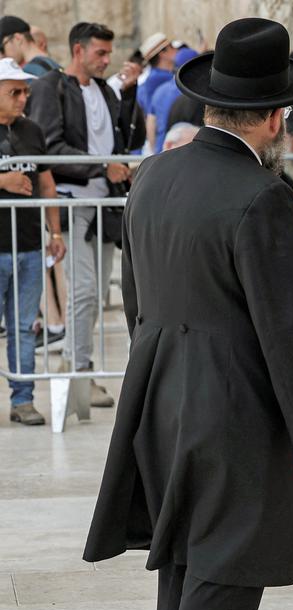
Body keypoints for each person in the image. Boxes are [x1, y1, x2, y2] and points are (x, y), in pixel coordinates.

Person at [83, 18, 293, 610]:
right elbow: (285, 326)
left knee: (187, 565)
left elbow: (135, 302)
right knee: (223, 574)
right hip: (232, 409)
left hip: (159, 394)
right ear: (276, 115)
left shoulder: (155, 173)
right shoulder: (264, 196)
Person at [28, 22, 142, 408]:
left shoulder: (106, 93)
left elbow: (127, 137)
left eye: (109, 54)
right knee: (82, 293)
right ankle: (80, 371)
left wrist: (129, 95)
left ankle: (74, 369)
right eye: (100, 53)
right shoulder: (51, 87)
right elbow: (50, 148)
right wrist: (100, 167)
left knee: (93, 297)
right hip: (72, 203)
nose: (106, 60)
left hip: (104, 205)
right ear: (78, 50)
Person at [0, 58, 64, 425]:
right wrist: (3, 181)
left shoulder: (32, 131)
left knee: (25, 326)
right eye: (14, 92)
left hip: (27, 245)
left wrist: (55, 232)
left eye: (25, 91)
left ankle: (23, 398)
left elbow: (47, 183)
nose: (23, 98)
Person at [145, 45, 197, 152]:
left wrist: (154, 149)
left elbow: (151, 123)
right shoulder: (193, 92)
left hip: (161, 150)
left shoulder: (160, 90)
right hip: (184, 153)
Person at [136, 32, 175, 153]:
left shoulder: (148, 81)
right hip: (168, 145)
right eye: (171, 46)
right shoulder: (162, 81)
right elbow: (151, 119)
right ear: (162, 53)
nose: (175, 50)